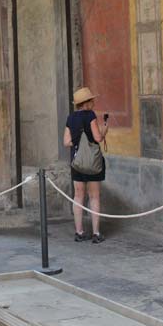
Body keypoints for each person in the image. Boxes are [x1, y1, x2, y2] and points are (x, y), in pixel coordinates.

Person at [63, 86, 109, 243]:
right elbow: (97, 138)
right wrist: (104, 130)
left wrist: (78, 141)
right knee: (94, 197)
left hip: (77, 163)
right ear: (86, 103)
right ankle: (96, 233)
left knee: (78, 196)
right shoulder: (90, 115)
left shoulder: (71, 118)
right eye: (91, 100)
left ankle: (79, 232)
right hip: (92, 163)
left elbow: (66, 142)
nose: (94, 102)